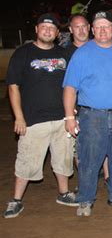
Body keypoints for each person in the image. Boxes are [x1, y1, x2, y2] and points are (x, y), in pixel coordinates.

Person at [4, 13, 77, 219]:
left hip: (61, 118)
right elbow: (13, 87)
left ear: (56, 33)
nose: (47, 30)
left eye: (52, 28)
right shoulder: (23, 53)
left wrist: (71, 112)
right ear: (36, 30)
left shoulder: (65, 54)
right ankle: (16, 199)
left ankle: (64, 193)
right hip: (33, 120)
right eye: (43, 27)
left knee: (63, 158)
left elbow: (72, 85)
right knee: (27, 160)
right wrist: (19, 117)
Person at [63, 11, 112, 217]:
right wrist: (69, 117)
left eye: (107, 26)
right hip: (92, 115)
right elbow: (70, 87)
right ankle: (85, 199)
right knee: (89, 158)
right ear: (93, 30)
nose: (103, 30)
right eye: (98, 27)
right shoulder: (82, 53)